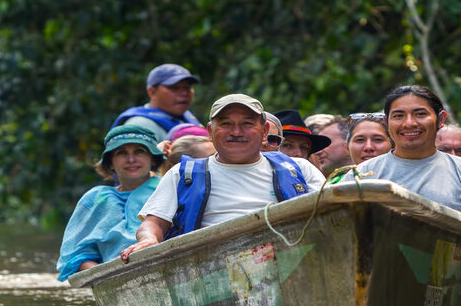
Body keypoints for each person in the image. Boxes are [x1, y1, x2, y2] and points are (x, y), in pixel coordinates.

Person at [120, 94, 326, 262]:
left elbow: (329, 210)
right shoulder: (183, 174)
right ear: (210, 131)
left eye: (247, 123)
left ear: (264, 131)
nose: (236, 132)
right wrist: (149, 239)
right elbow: (153, 222)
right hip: (210, 267)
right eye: (226, 123)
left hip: (290, 259)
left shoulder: (298, 167)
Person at [354, 85, 461, 237]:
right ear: (386, 122)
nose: (409, 123)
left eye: (420, 114)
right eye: (398, 116)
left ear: (440, 120)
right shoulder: (361, 174)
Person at [56, 125, 165, 280]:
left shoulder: (169, 187)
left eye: (139, 151)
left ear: (153, 159)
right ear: (110, 163)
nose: (131, 159)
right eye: (121, 153)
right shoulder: (95, 199)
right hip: (111, 278)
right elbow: (74, 254)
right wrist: (108, 277)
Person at [110, 63, 201, 142]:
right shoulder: (140, 125)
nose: (184, 93)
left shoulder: (188, 118)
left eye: (187, 88)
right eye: (174, 88)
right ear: (152, 92)